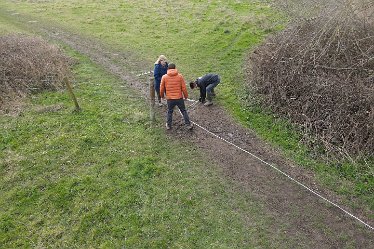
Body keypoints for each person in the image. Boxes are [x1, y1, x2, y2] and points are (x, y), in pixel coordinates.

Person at [160, 63, 193, 130]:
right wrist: (186, 96)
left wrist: (162, 96)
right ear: (175, 68)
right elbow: (184, 88)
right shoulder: (180, 76)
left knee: (170, 111)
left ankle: (168, 125)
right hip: (179, 98)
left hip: (170, 99)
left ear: (168, 68)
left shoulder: (164, 77)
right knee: (183, 111)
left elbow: (161, 88)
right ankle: (188, 125)